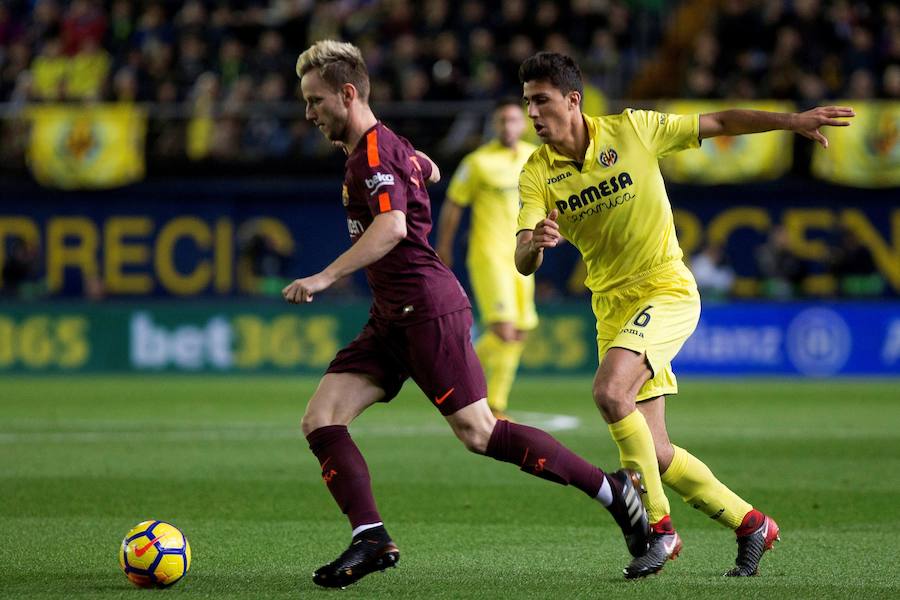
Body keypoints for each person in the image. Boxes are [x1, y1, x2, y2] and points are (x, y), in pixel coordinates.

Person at [283, 40, 650, 589]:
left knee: (480, 433)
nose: (308, 114)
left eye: (315, 101)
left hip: (425, 309)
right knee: (321, 419)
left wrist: (323, 276)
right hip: (391, 315)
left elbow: (392, 228)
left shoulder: (376, 153)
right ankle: (371, 536)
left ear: (348, 93)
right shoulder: (384, 147)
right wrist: (420, 166)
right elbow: (426, 169)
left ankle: (614, 491)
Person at [514, 51, 854, 579]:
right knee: (658, 451)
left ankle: (659, 532)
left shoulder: (635, 131)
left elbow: (718, 121)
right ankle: (753, 524)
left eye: (541, 100)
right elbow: (523, 260)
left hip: (666, 290)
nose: (532, 112)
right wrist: (536, 244)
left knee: (609, 393)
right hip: (612, 309)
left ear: (572, 100)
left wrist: (791, 122)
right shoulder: (536, 174)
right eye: (527, 101)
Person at [435, 98, 539, 419]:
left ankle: (495, 404)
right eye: (501, 121)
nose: (507, 126)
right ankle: (455, 379)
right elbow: (454, 204)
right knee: (503, 331)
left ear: (523, 124)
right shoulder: (477, 162)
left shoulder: (534, 157)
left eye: (513, 120)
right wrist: (445, 246)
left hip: (523, 254)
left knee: (519, 332)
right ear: (494, 125)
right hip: (489, 254)